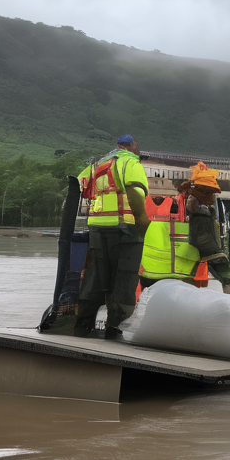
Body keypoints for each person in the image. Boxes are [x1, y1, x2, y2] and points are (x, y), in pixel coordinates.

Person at [74, 134, 150, 338]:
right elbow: (135, 192)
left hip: (97, 228)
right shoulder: (130, 163)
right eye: (137, 145)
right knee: (124, 279)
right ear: (132, 145)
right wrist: (142, 222)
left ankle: (83, 325)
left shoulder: (98, 165)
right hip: (125, 229)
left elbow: (77, 186)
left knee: (96, 277)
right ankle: (115, 328)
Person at [184, 162, 230, 295]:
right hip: (204, 248)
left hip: (205, 248)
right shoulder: (199, 203)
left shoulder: (205, 204)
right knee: (224, 280)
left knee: (225, 280)